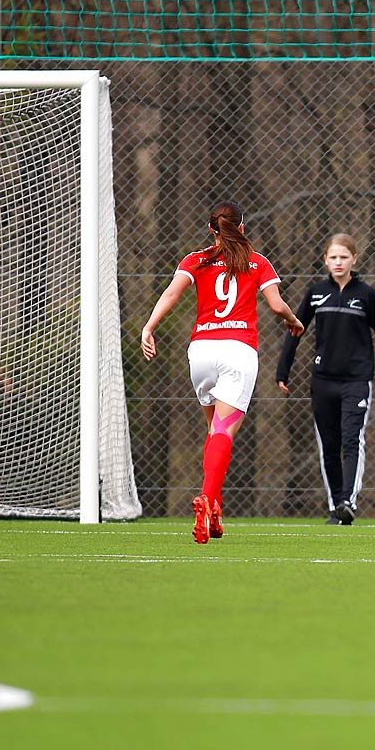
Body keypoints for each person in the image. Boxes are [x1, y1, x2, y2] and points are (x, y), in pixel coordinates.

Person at [140, 202, 303, 545]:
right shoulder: (256, 261)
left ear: (211, 230)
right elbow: (275, 305)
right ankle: (205, 500)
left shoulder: (195, 260)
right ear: (242, 228)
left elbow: (171, 292)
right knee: (223, 433)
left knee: (213, 432)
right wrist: (292, 319)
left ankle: (215, 510)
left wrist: (149, 327)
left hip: (201, 352)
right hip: (237, 351)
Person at [274, 234, 375, 525]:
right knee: (328, 445)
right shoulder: (317, 292)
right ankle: (335, 506)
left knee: (352, 439)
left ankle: (347, 501)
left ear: (354, 259)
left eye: (344, 257)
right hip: (323, 381)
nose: (338, 262)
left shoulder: (366, 294)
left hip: (356, 380)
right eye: (333, 257)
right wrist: (283, 370)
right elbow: (296, 329)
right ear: (326, 260)